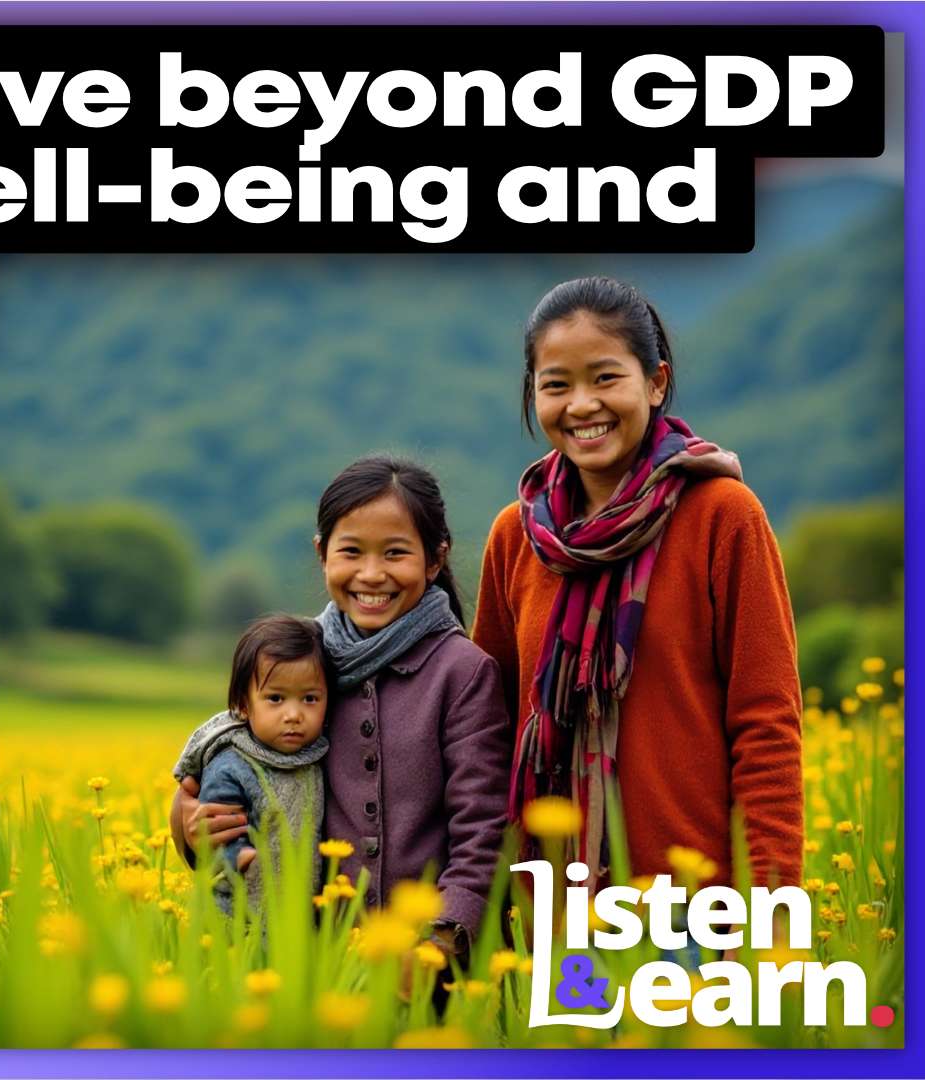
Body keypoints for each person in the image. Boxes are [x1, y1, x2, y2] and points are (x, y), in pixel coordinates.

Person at [470, 275, 803, 889]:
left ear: (655, 382)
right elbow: (477, 733)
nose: (581, 405)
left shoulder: (723, 516)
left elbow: (766, 726)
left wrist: (772, 916)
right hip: (552, 913)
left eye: (605, 377)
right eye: (556, 385)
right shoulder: (515, 538)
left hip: (692, 914)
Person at [173, 456, 512, 956]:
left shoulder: (463, 672)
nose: (371, 575)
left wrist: (439, 940)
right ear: (322, 554)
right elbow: (227, 761)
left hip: (425, 962)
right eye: (351, 551)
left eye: (395, 553)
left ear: (435, 559)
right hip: (309, 957)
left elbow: (482, 831)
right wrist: (188, 823)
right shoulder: (298, 663)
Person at [172, 614, 331, 915]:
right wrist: (236, 854)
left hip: (298, 916)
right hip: (238, 915)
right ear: (244, 705)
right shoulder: (232, 762)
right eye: (275, 698)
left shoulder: (319, 755)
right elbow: (216, 815)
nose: (293, 714)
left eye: (310, 699)